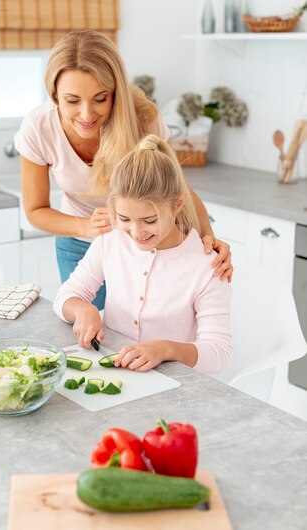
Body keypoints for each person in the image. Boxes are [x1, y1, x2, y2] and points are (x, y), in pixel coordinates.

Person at [14, 30, 232, 310]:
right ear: (54, 94)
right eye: (72, 100)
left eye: (100, 98)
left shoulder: (142, 119)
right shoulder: (38, 128)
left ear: (115, 91)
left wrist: (208, 240)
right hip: (79, 245)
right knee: (87, 334)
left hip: (146, 243)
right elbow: (35, 211)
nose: (86, 114)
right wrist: (87, 227)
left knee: (143, 336)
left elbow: (179, 189)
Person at [53, 135, 231, 374]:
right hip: (114, 373)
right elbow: (66, 296)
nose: (136, 233)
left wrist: (167, 349)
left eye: (150, 220)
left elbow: (218, 353)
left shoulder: (208, 265)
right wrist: (83, 310)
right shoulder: (110, 241)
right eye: (124, 218)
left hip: (174, 385)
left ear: (178, 204)